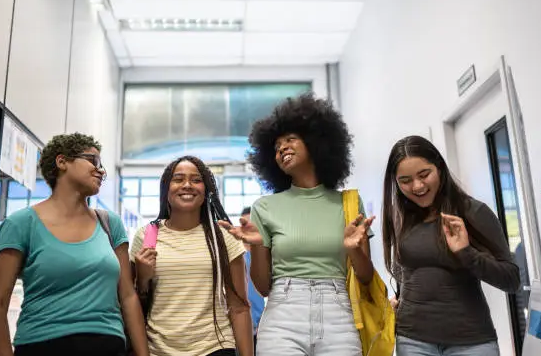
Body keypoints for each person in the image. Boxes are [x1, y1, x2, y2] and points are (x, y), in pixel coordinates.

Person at [220, 93, 374, 356]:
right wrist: (258, 246)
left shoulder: (348, 202)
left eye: (290, 140)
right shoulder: (265, 207)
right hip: (282, 316)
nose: (282, 148)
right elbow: (264, 286)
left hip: (338, 315)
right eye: (277, 146)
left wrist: (354, 249)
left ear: (316, 143)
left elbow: (366, 276)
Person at [0, 133, 149, 356]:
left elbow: (128, 297)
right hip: (42, 345)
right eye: (93, 161)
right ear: (62, 162)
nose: (101, 170)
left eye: (102, 166)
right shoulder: (21, 224)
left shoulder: (110, 224)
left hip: (108, 346)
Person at [382, 135, 520, 356]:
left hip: (471, 343)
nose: (417, 186)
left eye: (424, 174)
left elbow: (512, 280)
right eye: (405, 180)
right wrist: (398, 300)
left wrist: (467, 253)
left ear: (440, 168)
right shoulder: (400, 219)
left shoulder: (472, 212)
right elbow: (409, 273)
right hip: (412, 340)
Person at [130, 156, 253, 356]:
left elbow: (239, 307)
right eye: (178, 179)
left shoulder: (223, 237)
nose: (187, 185)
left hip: (214, 347)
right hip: (159, 350)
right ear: (166, 190)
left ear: (206, 191)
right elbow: (131, 300)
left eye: (196, 180)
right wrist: (143, 278)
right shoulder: (147, 235)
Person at [239, 207, 265, 353]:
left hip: (261, 323)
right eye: (245, 224)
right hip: (240, 324)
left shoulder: (263, 256)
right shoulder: (236, 255)